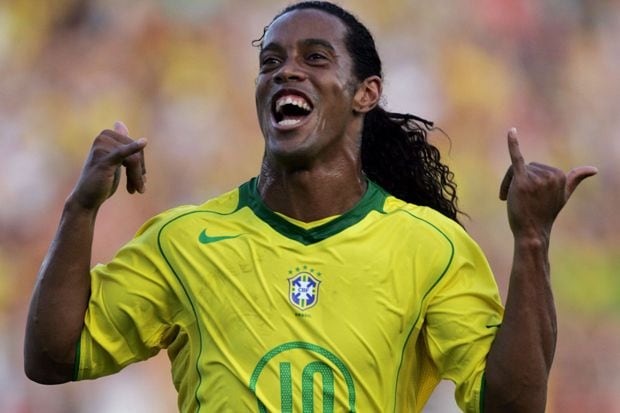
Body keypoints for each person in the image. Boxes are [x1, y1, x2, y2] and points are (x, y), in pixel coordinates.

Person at [24, 1, 597, 412]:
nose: (286, 71)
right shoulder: (183, 240)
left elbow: (513, 406)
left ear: (364, 93)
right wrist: (80, 208)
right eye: (270, 62)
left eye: (315, 58)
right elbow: (52, 359)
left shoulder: (431, 248)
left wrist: (531, 241)